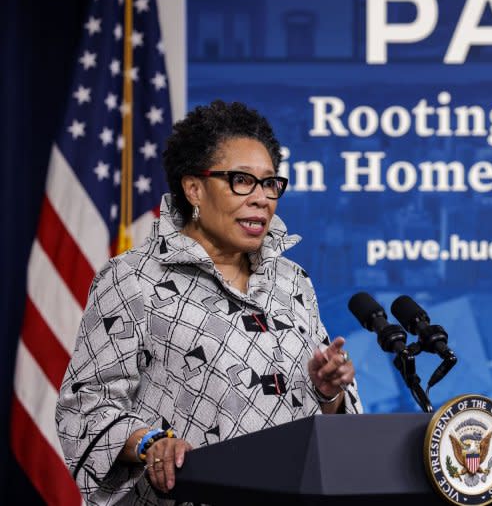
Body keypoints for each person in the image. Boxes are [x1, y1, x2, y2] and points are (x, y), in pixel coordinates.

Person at [55, 100, 362, 504]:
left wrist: (328, 392)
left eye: (270, 183)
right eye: (241, 180)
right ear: (194, 188)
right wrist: (150, 443)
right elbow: (86, 406)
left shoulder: (293, 282)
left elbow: (334, 429)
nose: (262, 199)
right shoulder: (133, 280)